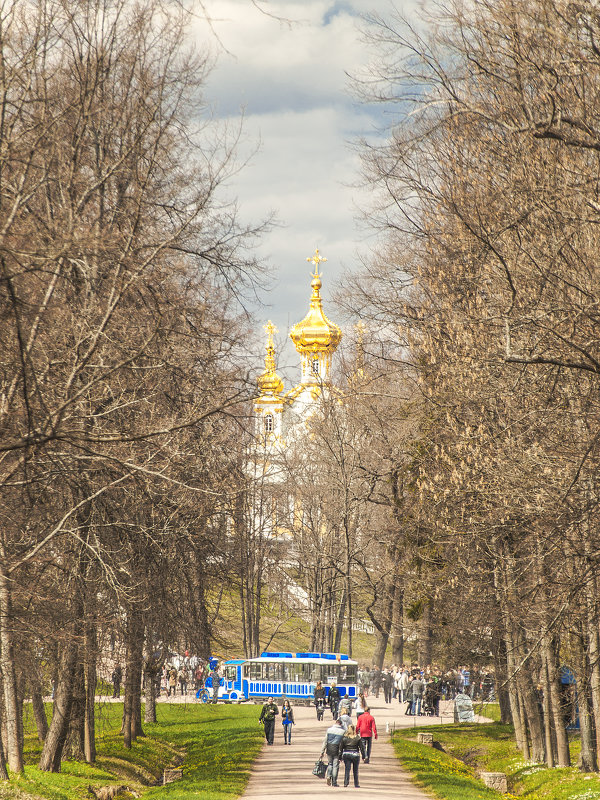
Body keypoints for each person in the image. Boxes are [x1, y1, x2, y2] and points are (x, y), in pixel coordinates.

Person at [339, 723, 366, 788]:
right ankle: (356, 784)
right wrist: (363, 756)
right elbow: (362, 748)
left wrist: (340, 757)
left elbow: (341, 748)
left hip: (346, 754)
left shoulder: (344, 738)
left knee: (347, 769)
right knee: (355, 770)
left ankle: (346, 783)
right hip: (355, 754)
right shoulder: (357, 738)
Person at [320, 718, 345, 787]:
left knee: (330, 764)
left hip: (329, 748)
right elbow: (343, 743)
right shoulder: (343, 731)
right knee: (335, 766)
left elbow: (325, 741)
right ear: (341, 724)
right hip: (337, 749)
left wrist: (322, 751)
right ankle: (334, 782)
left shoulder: (329, 730)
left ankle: (328, 776)